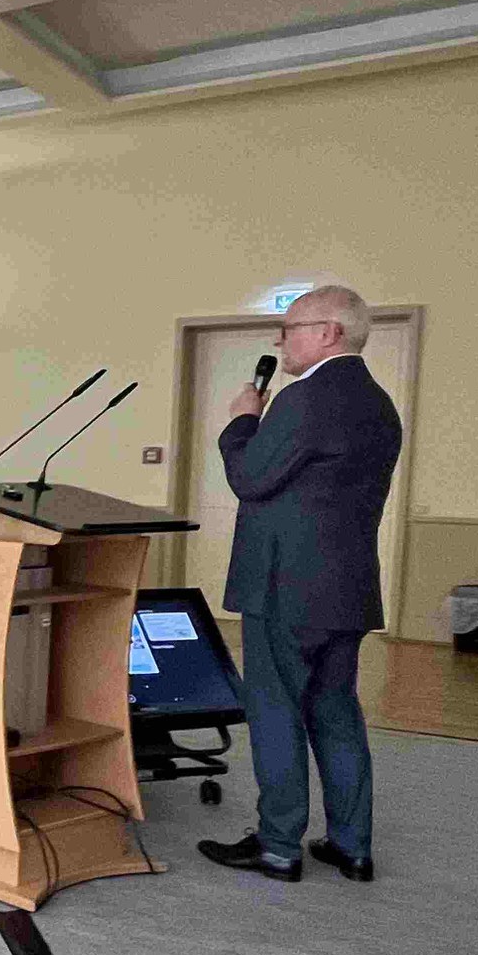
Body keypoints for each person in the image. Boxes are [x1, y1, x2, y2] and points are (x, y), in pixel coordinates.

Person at [198, 285, 403, 885]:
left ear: (329, 333)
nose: (279, 340)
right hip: (347, 590)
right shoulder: (379, 404)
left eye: (290, 328)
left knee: (277, 709)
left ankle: (279, 845)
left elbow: (251, 478)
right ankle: (351, 845)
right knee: (337, 710)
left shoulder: (304, 399)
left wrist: (241, 423)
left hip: (284, 588)